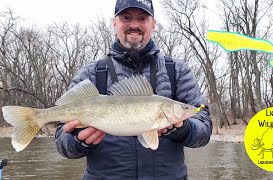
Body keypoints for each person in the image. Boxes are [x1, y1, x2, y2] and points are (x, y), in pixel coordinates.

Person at [55, 0, 212, 179]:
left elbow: (204, 129)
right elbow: (62, 143)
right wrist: (77, 141)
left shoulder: (177, 70)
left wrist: (185, 130)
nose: (134, 25)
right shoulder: (91, 73)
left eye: (143, 18)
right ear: (114, 23)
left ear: (153, 24)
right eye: (126, 17)